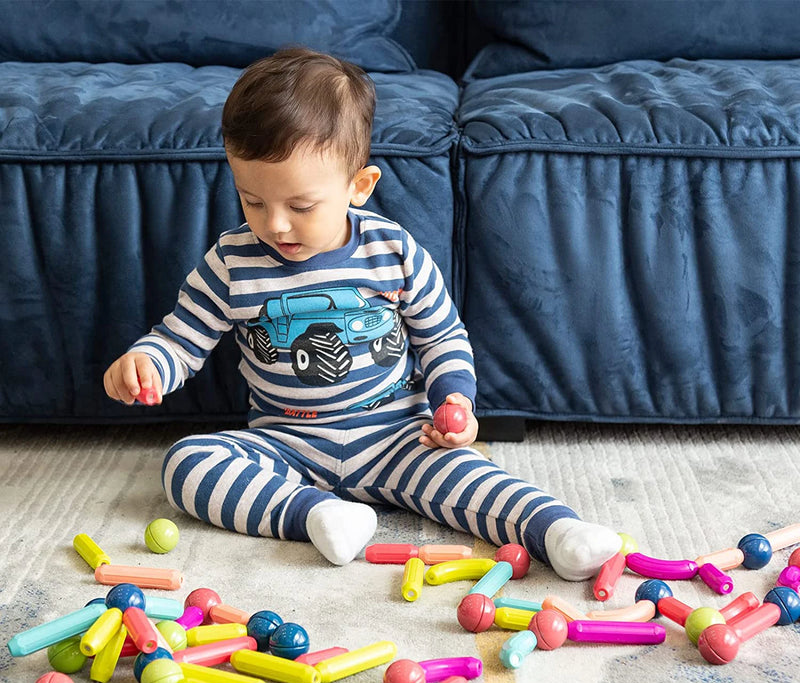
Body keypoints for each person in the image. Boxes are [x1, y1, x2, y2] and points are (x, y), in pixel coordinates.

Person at [103, 46, 621, 576]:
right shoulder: (233, 262)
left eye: (300, 207)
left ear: (359, 187)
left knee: (474, 476)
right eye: (252, 201)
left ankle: (557, 530)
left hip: (398, 434)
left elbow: (441, 337)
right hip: (285, 443)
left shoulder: (392, 251)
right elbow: (181, 338)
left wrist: (455, 402)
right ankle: (316, 515)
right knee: (186, 465)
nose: (276, 225)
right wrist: (148, 362)